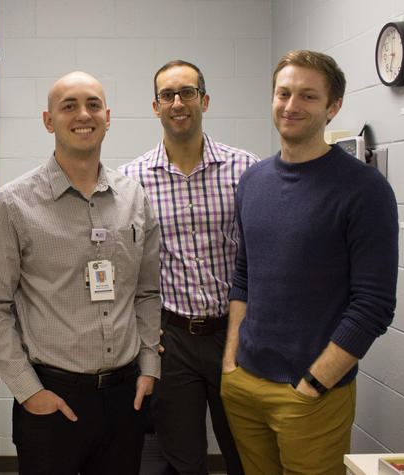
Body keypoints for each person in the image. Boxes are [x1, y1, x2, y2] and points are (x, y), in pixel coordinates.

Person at [0, 71, 161, 475]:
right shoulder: (12, 205)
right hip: (51, 397)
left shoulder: (134, 199)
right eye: (69, 106)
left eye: (93, 104)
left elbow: (146, 293)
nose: (83, 115)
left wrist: (149, 368)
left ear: (108, 117)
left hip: (126, 397)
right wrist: (28, 391)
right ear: (48, 120)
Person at [220, 50, 399, 475]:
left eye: (308, 96)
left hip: (312, 393)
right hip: (245, 383)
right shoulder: (253, 180)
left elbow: (373, 306)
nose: (290, 106)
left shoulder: (364, 189)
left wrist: (316, 382)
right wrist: (230, 362)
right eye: (283, 93)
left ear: (333, 106)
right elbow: (244, 275)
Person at [118, 60, 256, 475]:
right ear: (155, 107)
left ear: (205, 100)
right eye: (167, 95)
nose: (178, 103)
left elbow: (262, 255)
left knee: (246, 454)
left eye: (187, 93)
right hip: (171, 341)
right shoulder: (131, 180)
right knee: (182, 460)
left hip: (235, 336)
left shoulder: (246, 169)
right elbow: (127, 267)